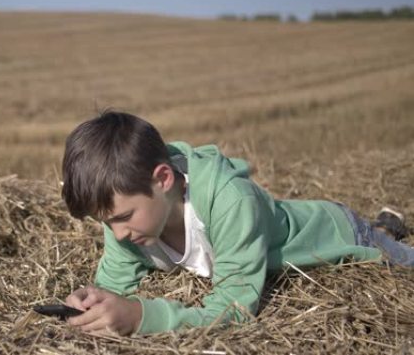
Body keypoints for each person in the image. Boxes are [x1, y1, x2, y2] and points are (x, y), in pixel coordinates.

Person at [60, 110, 413, 336]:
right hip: (275, 225)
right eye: (105, 222)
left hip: (336, 230)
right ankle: (386, 224)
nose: (118, 233)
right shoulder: (125, 217)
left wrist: (141, 317)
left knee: (403, 262)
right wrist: (94, 302)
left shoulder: (231, 200)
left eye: (123, 218)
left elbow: (234, 309)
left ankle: (378, 230)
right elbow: (114, 284)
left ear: (163, 179)